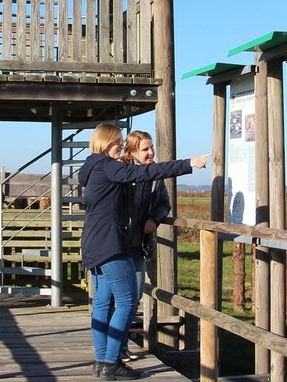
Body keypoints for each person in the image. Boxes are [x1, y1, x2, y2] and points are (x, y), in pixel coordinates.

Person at [79, 122, 208, 380]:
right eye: (118, 142)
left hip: (95, 242)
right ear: (106, 143)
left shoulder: (92, 167)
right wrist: (188, 163)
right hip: (111, 244)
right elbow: (146, 173)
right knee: (126, 302)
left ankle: (103, 360)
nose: (121, 146)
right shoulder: (108, 166)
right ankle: (112, 362)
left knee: (104, 301)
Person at [121, 131, 171, 311]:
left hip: (138, 244)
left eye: (152, 147)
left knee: (136, 293)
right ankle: (114, 337)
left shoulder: (155, 173)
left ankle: (123, 334)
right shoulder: (121, 171)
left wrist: (154, 218)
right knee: (116, 295)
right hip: (117, 243)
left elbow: (165, 203)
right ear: (132, 152)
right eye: (145, 149)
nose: (151, 152)